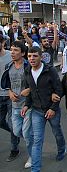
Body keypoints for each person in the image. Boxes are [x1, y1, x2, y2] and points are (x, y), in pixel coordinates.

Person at [21, 46, 66, 172]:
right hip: (36, 111)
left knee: (57, 132)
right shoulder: (27, 70)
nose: (32, 58)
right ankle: (35, 169)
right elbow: (30, 91)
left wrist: (53, 108)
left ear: (41, 57)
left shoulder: (49, 70)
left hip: (52, 110)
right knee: (37, 140)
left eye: (35, 56)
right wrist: (26, 105)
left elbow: (59, 90)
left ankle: (62, 150)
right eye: (29, 56)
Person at [1, 41, 33, 168]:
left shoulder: (28, 66)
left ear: (23, 53)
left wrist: (29, 89)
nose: (12, 53)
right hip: (15, 105)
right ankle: (34, 140)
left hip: (27, 105)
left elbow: (36, 82)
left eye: (16, 50)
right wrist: (9, 92)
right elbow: (7, 82)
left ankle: (32, 156)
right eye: (12, 50)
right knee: (16, 130)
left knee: (25, 133)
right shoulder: (9, 66)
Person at [0, 34, 21, 162]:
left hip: (11, 95)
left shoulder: (10, 55)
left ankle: (14, 149)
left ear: (2, 43)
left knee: (13, 123)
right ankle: (17, 133)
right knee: (1, 121)